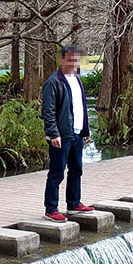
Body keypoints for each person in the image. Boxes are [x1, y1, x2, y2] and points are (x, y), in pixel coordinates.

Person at [41, 45, 94, 223]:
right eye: (70, 59)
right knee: (57, 172)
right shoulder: (53, 82)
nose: (73, 63)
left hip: (77, 134)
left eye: (76, 60)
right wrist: (53, 134)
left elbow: (80, 107)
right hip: (61, 136)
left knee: (76, 170)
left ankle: (73, 202)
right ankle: (51, 208)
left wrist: (85, 129)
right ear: (62, 60)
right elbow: (47, 111)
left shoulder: (76, 79)